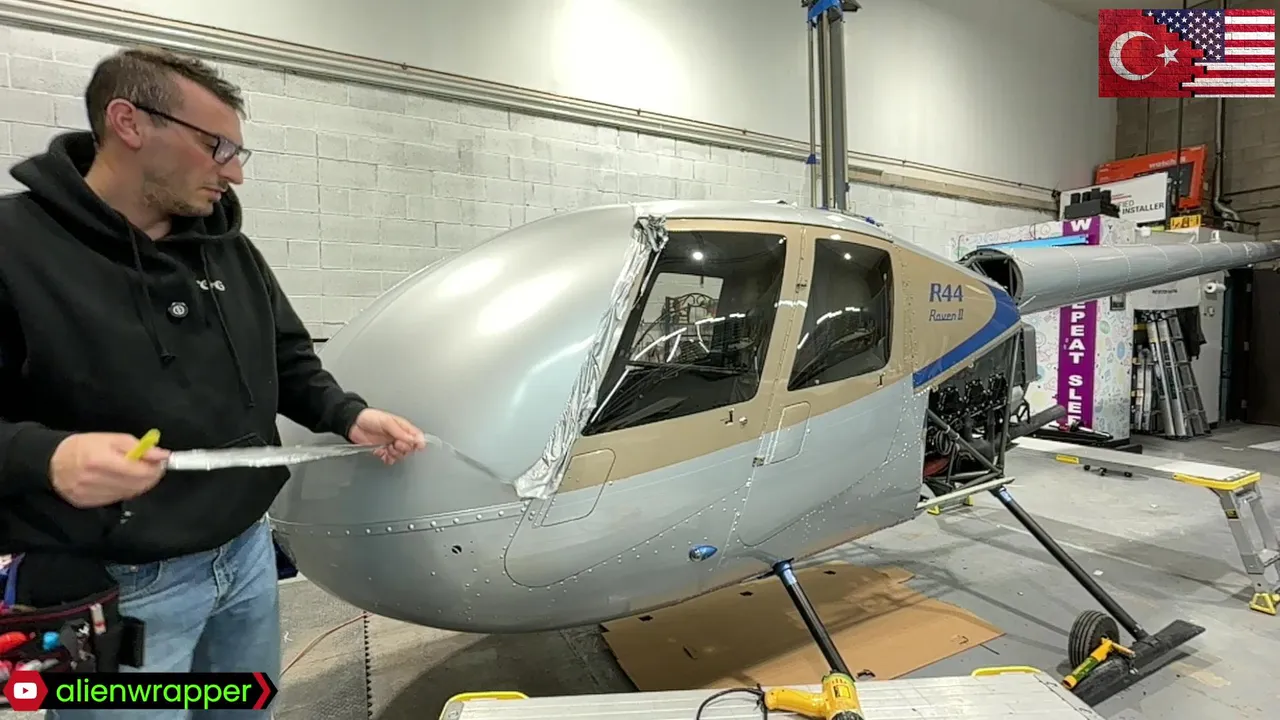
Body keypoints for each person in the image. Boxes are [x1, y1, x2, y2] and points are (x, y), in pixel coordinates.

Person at [0, 46, 427, 717]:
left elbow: (288, 358)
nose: (234, 172)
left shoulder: (229, 248)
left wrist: (345, 414)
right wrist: (48, 457)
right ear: (129, 123)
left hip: (245, 560)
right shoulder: (14, 246)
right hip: (119, 586)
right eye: (216, 147)